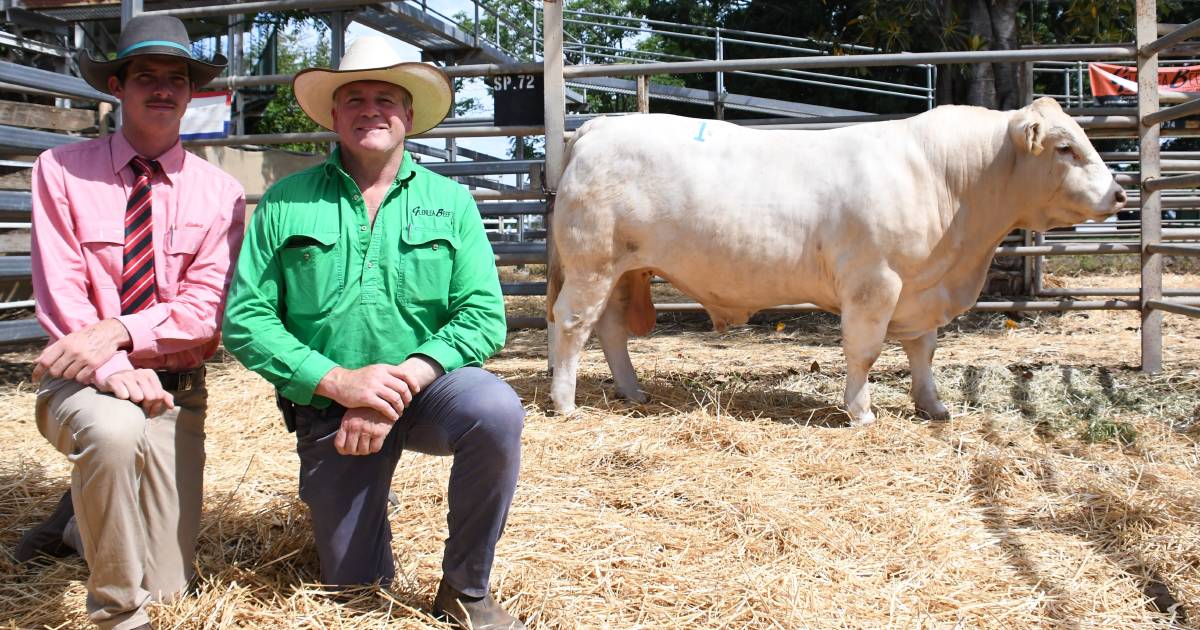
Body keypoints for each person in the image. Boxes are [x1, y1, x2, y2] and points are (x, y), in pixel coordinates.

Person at [222, 36, 525, 629]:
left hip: (426, 390)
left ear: (408, 114)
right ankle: (358, 555)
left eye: (386, 97)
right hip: (330, 406)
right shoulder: (285, 203)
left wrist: (398, 384)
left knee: (495, 409)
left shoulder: (451, 201)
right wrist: (339, 383)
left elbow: (484, 315)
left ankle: (465, 588)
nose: (370, 109)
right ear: (333, 114)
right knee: (356, 592)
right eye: (354, 97)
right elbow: (245, 319)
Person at [14, 14, 246, 630]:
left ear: (192, 92)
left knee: (171, 585)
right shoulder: (60, 170)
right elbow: (61, 293)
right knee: (114, 432)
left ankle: (75, 519)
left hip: (173, 393)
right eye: (146, 76)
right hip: (83, 381)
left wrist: (119, 331)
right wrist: (112, 365)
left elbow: (204, 315)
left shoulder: (220, 193)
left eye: (177, 78)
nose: (162, 89)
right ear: (117, 85)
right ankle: (117, 613)